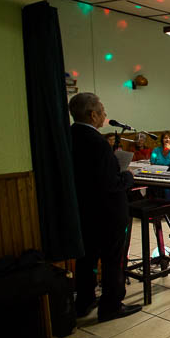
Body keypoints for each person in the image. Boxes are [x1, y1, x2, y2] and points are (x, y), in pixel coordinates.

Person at [68, 93, 140, 322]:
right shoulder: (97, 142)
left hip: (84, 209)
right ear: (93, 115)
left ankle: (84, 301)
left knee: (87, 258)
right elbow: (110, 183)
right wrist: (128, 177)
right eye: (102, 110)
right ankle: (111, 306)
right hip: (107, 212)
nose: (105, 114)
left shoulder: (69, 135)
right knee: (112, 260)